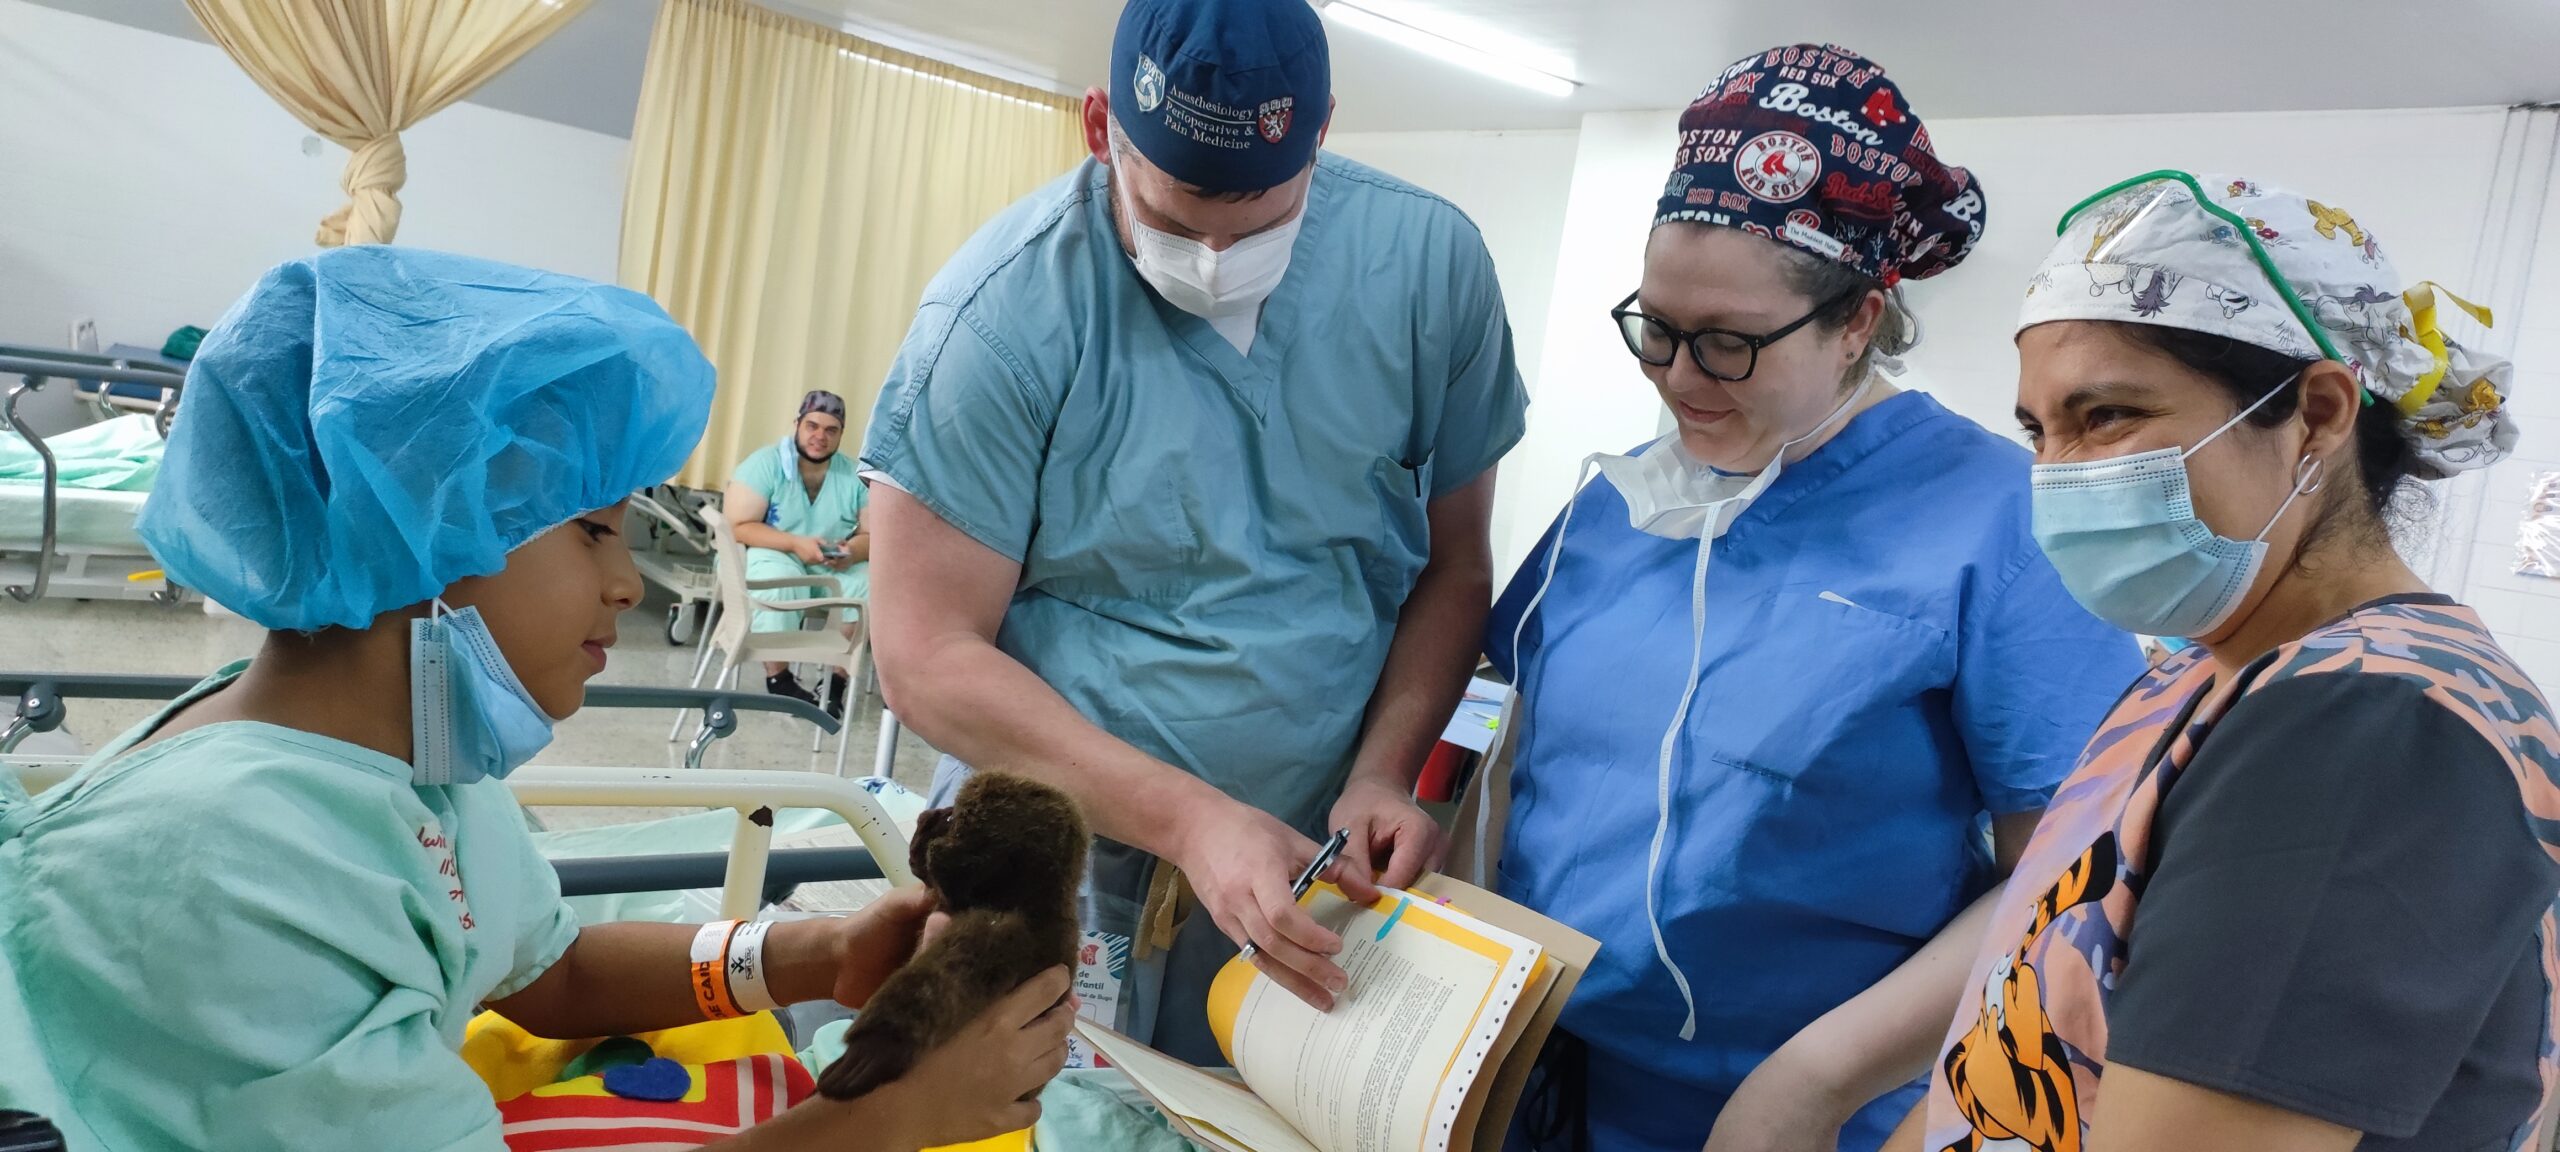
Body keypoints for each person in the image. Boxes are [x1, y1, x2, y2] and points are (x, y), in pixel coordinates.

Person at [0, 248, 1072, 1152]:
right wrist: (889, 1119)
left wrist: (815, 955)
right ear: (424, 527)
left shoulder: (409, 763)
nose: (626, 584)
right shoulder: (234, 867)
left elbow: (548, 973)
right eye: (594, 529)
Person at [1480, 46, 2146, 1152]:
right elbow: (1518, 753)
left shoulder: (1998, 522)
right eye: (1656, 328)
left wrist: (1814, 1080)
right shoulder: (1624, 501)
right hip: (1536, 1070)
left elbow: (2064, 878)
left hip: (1811, 1109)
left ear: (1857, 322)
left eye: (1728, 344)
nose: (1678, 378)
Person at [859, 0, 1526, 1062]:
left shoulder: (1427, 271)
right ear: (1099, 129)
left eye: (1258, 218)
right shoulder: (999, 316)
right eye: (1176, 217)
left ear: (1321, 133)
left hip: (1311, 851)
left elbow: (1453, 567)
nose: (1216, 257)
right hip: (1065, 845)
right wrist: (1187, 818)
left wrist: (1382, 773)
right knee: (1032, 1108)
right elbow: (923, 656)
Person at [1908, 173, 2556, 1152]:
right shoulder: (2192, 675)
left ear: (2319, 414)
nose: (2057, 475)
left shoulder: (2370, 724)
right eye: (2038, 432)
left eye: (2107, 416)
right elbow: (2007, 1023)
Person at [726, 389, 870, 714]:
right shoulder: (764, 466)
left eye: (831, 430)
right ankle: (779, 679)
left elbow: (873, 535)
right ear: (797, 425)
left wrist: (851, 550)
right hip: (769, 552)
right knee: (782, 578)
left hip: (826, 561)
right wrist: (793, 543)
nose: (820, 436)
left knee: (868, 582)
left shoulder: (854, 476)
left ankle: (835, 682)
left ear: (841, 434)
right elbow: (738, 526)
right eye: (812, 426)